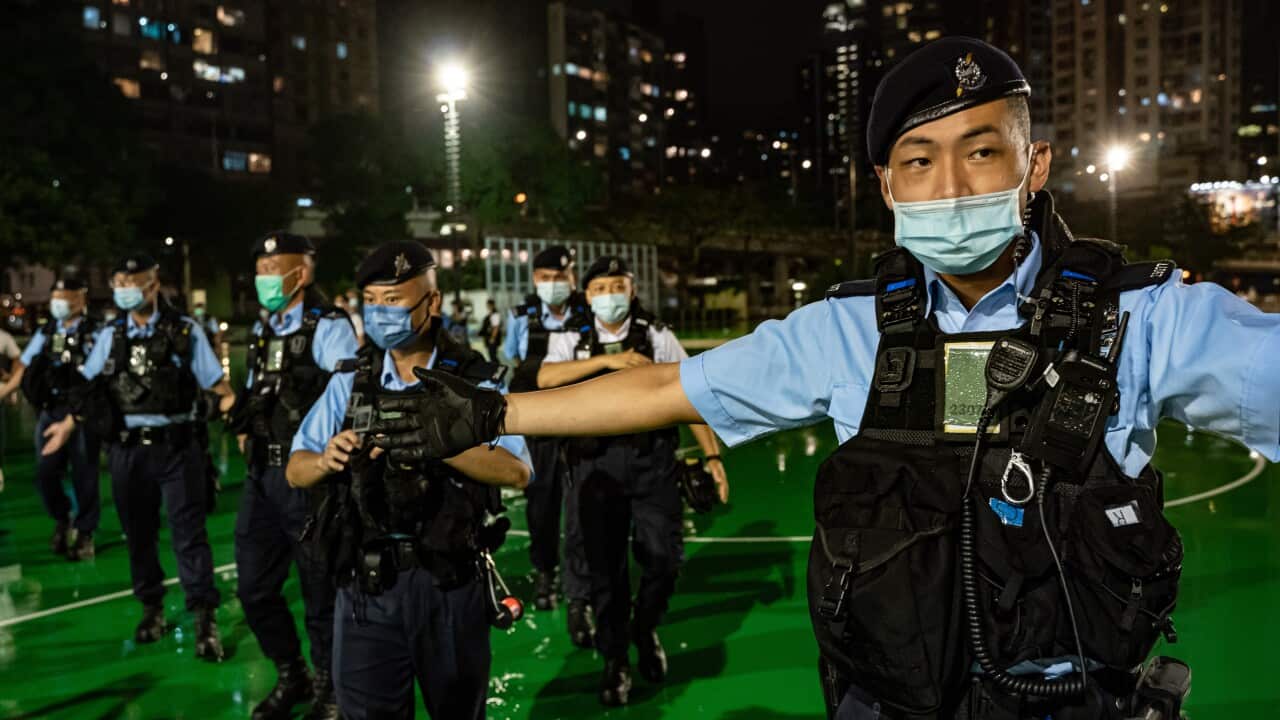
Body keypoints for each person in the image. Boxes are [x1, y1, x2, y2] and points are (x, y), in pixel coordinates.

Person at [383, 37, 1280, 719]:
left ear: (1035, 165)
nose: (949, 185)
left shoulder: (1142, 317)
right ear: (886, 186)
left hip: (1069, 699)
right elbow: (664, 390)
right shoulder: (847, 329)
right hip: (887, 698)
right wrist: (495, 411)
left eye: (982, 151)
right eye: (919, 161)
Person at [285, 241, 532, 720]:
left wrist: (439, 441)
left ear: (431, 302)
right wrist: (327, 459)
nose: (380, 312)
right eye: (371, 301)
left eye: (393, 299)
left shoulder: (475, 381)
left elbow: (516, 470)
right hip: (366, 585)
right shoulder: (351, 379)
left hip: (448, 582)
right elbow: (297, 467)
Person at [536, 255, 728, 706]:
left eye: (617, 286)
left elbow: (691, 393)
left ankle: (645, 627)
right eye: (600, 289)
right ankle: (615, 658)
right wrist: (609, 362)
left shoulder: (657, 335)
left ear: (633, 289)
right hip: (595, 467)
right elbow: (545, 377)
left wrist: (712, 455)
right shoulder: (571, 336)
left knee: (665, 559)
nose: (609, 296)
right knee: (605, 571)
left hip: (651, 462)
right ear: (586, 295)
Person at [42, 252, 237, 661]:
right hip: (127, 450)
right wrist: (67, 425)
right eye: (120, 283)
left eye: (134, 282)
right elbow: (89, 387)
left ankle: (204, 617)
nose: (126, 290)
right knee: (138, 534)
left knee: (189, 536)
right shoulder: (111, 335)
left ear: (153, 285)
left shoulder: (184, 331)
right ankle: (152, 607)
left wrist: (237, 420)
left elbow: (219, 387)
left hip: (177, 447)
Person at [226, 231, 358, 720]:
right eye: (259, 269)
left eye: (271, 269)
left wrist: (313, 451)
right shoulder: (265, 328)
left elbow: (346, 390)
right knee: (254, 587)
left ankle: (331, 685)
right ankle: (292, 672)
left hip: (307, 477)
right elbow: (255, 389)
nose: (262, 277)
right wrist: (245, 428)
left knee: (320, 590)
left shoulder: (329, 326)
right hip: (262, 474)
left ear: (300, 274)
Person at [504, 246, 594, 643]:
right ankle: (545, 571)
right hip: (539, 424)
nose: (552, 284)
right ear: (534, 280)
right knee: (541, 505)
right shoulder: (521, 316)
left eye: (559, 277)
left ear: (572, 277)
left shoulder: (588, 313)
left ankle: (579, 593)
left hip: (583, 424)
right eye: (544, 278)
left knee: (580, 510)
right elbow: (513, 363)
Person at [0, 275, 102, 560]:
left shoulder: (95, 332)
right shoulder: (47, 332)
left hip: (82, 411)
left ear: (80, 299)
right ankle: (62, 517)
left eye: (65, 298)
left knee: (85, 474)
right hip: (51, 410)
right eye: (55, 298)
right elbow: (24, 366)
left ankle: (85, 531)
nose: (59, 304)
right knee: (45, 472)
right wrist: (5, 390)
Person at [480, 298, 502, 363]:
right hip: (489, 338)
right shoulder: (490, 314)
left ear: (493, 305)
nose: (488, 307)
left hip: (492, 339)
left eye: (489, 305)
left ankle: (497, 367)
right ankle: (496, 366)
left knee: (493, 356)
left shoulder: (495, 314)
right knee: (492, 356)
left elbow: (496, 327)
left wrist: (492, 338)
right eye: (487, 305)